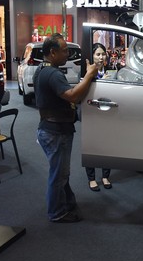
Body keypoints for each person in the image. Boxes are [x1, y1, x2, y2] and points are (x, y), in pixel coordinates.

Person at [34, 33, 98, 223]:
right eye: (64, 51)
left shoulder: (42, 69)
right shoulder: (52, 74)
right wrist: (89, 75)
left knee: (61, 173)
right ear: (52, 52)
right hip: (56, 131)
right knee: (59, 175)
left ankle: (67, 203)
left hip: (51, 129)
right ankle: (57, 212)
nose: (67, 54)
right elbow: (72, 96)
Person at [85, 43, 113, 192]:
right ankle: (91, 178)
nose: (101, 57)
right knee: (91, 145)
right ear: (92, 56)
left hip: (107, 113)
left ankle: (105, 176)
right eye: (98, 54)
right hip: (91, 113)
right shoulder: (87, 72)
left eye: (103, 54)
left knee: (106, 146)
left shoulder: (110, 71)